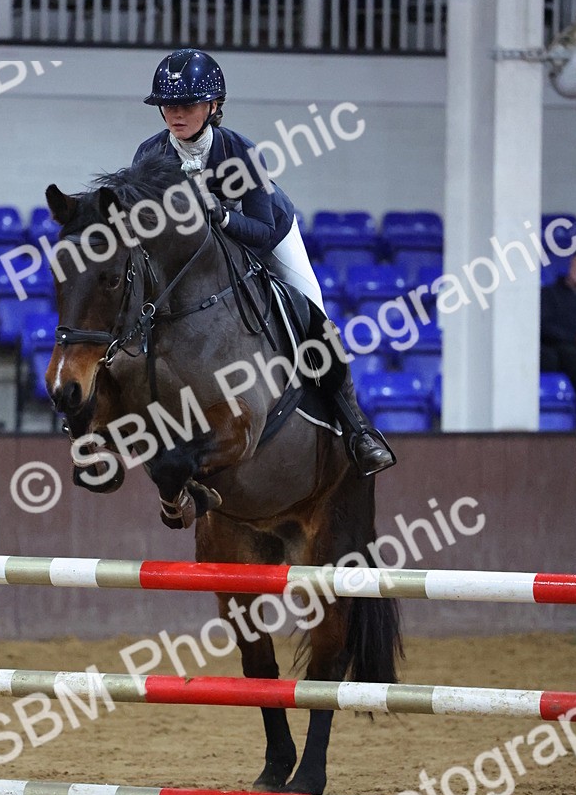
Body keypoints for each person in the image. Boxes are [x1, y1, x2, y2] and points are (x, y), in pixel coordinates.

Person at [132, 47, 395, 477]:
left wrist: (219, 215)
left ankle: (356, 428)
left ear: (213, 105)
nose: (175, 114)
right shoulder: (150, 156)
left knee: (313, 315)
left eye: (188, 104)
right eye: (168, 105)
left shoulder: (241, 153)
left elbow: (261, 230)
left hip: (265, 236)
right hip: (195, 255)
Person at [541, 249, 576, 393]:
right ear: (572, 262)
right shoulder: (549, 294)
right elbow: (543, 326)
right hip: (560, 348)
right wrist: (573, 337)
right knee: (568, 354)